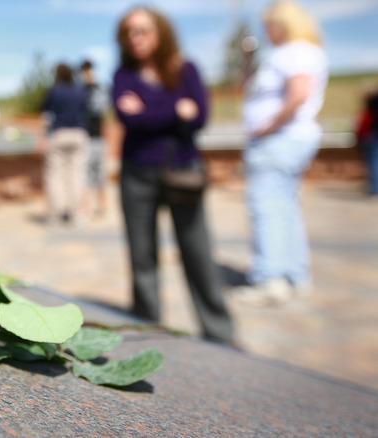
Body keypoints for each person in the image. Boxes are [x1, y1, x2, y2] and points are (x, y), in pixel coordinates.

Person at [112, 7, 233, 343]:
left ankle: (220, 333)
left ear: (161, 32)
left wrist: (149, 111)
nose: (135, 38)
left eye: (143, 30)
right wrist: (175, 110)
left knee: (198, 254)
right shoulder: (123, 75)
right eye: (128, 32)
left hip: (183, 172)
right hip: (136, 174)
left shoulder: (186, 68)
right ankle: (148, 329)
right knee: (142, 257)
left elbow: (200, 116)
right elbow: (131, 120)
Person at [237, 1, 328, 305]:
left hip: (278, 141)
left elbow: (298, 94)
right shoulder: (291, 52)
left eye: (269, 25)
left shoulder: (296, 51)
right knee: (285, 206)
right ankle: (293, 274)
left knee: (267, 206)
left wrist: (266, 126)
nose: (266, 31)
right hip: (283, 141)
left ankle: (271, 278)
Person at [40, 63, 89, 226]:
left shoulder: (54, 90)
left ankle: (54, 215)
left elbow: (46, 113)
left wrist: (44, 134)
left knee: (55, 176)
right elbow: (86, 110)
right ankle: (76, 215)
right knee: (76, 175)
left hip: (59, 133)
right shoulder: (79, 91)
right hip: (78, 134)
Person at [80, 60, 110, 217]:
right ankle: (85, 206)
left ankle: (102, 205)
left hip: (98, 137)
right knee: (84, 174)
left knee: (100, 173)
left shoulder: (98, 89)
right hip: (84, 137)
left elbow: (100, 107)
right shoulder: (79, 91)